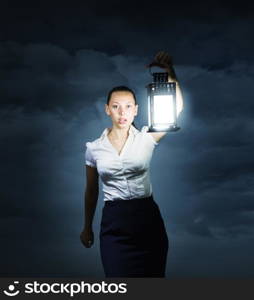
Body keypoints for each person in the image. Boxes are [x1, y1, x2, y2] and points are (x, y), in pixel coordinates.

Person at [79, 51, 184, 277]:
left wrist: (170, 73)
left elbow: (177, 109)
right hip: (114, 223)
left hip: (147, 218)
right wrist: (87, 226)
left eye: (128, 106)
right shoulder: (93, 148)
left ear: (136, 109)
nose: (122, 112)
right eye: (116, 106)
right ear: (107, 109)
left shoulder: (147, 138)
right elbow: (91, 191)